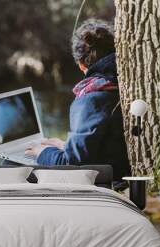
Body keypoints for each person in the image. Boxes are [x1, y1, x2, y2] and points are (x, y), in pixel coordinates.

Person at [25, 19, 130, 180]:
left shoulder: (92, 99)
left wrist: (42, 152)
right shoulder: (124, 85)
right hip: (121, 172)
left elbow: (71, 165)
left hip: (107, 183)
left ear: (81, 65)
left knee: (12, 165)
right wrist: (65, 146)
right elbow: (104, 144)